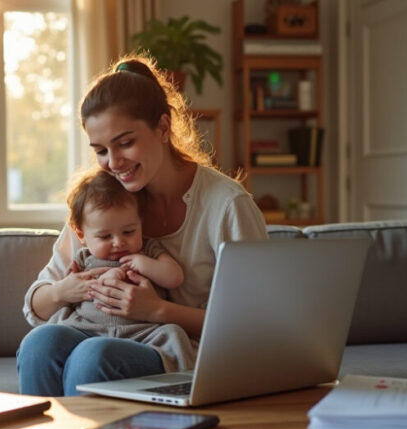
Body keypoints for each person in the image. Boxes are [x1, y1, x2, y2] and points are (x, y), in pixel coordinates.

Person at [17, 54, 268, 396]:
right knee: (39, 345)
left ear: (163, 128)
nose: (113, 163)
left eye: (125, 143)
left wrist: (158, 310)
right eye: (101, 150)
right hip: (95, 333)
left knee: (93, 357)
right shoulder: (103, 200)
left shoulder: (226, 205)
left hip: (182, 350)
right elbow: (36, 305)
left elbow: (255, 322)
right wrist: (65, 291)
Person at [48, 167, 196, 371]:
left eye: (128, 232)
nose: (118, 242)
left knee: (172, 334)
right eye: (105, 236)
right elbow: (71, 291)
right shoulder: (83, 258)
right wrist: (70, 284)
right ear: (81, 235)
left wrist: (142, 263)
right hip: (87, 327)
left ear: (141, 224)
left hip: (142, 332)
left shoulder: (147, 250)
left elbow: (174, 277)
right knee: (44, 337)